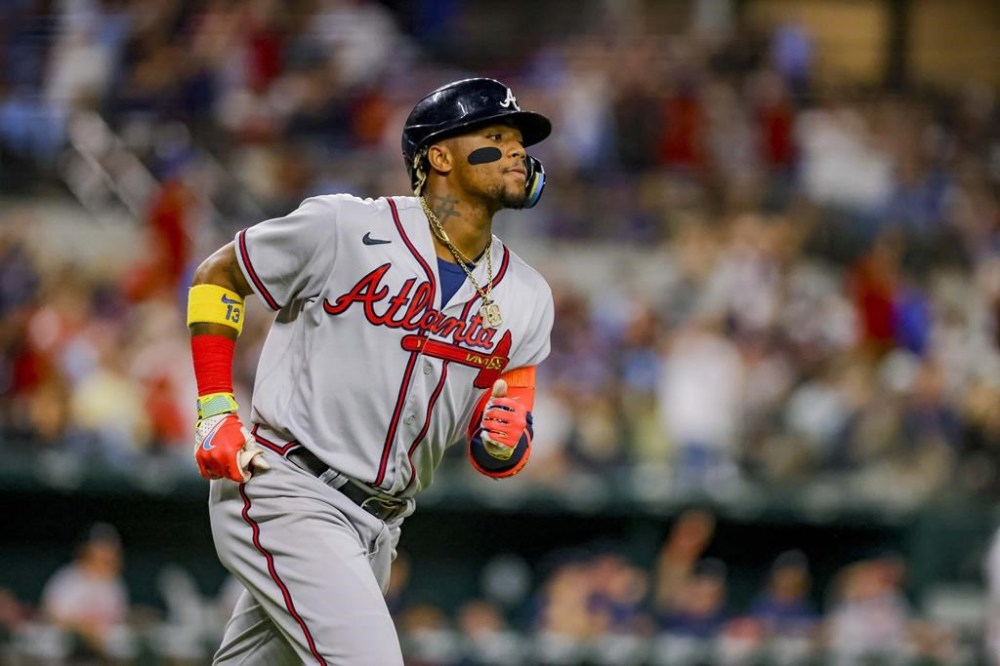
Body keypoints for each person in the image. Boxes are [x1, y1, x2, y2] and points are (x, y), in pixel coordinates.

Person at [186, 77, 554, 664]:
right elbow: (217, 276)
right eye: (496, 135)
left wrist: (505, 442)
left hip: (379, 528)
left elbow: (506, 421)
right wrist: (214, 410)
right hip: (288, 486)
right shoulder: (344, 227)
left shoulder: (529, 296)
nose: (517, 150)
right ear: (439, 155)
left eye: (520, 140)